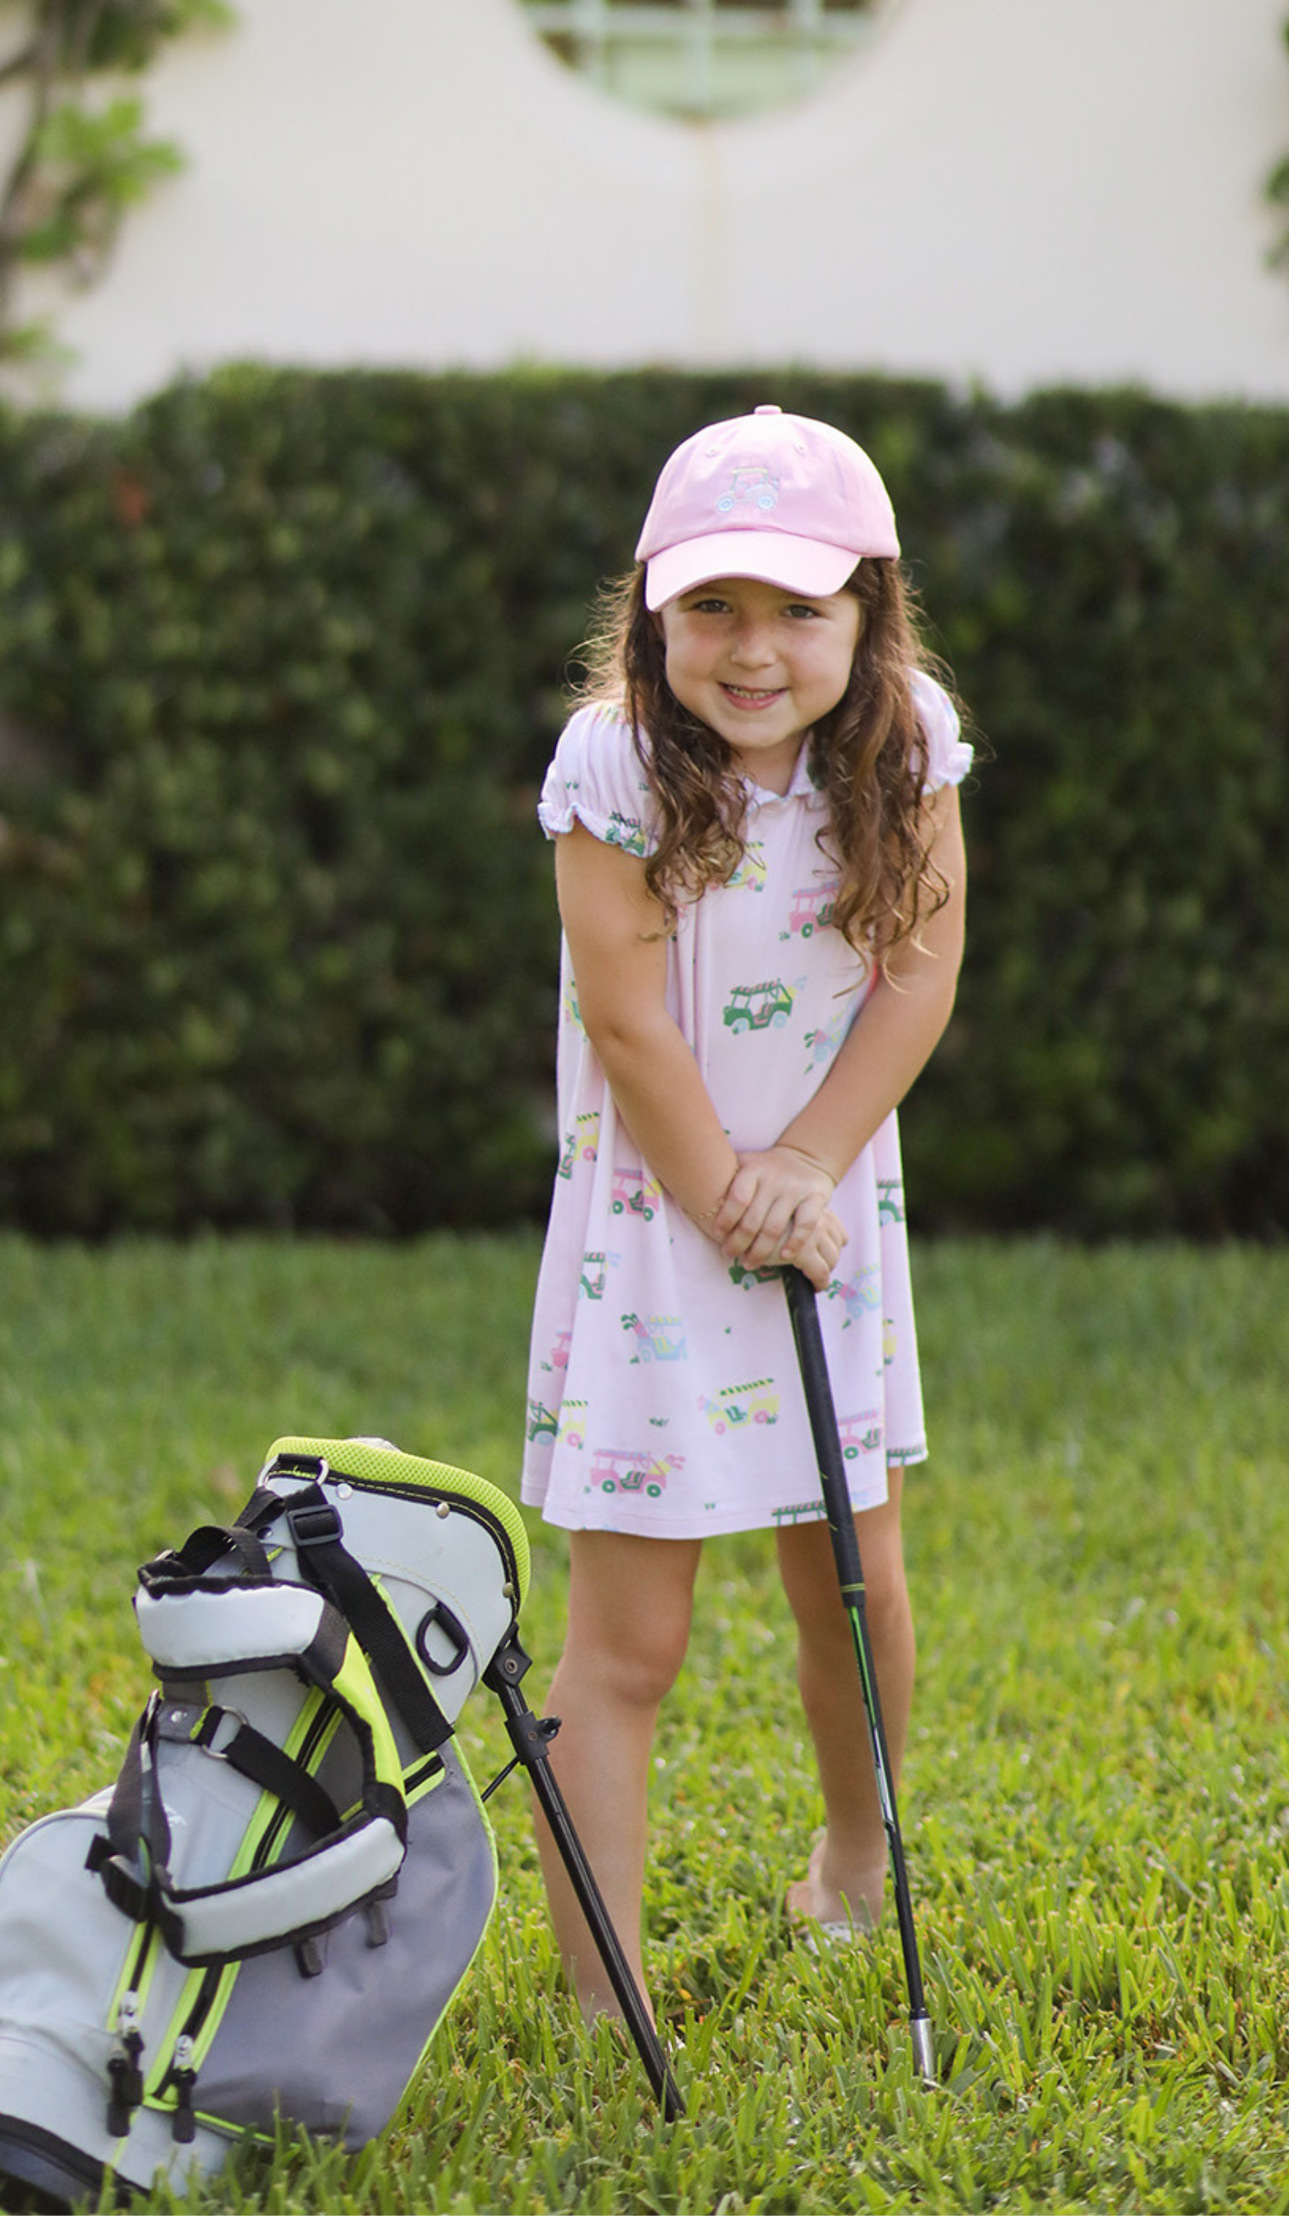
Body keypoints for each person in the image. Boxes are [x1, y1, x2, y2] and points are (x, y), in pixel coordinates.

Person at [520, 404, 971, 2019]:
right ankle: (601, 1990)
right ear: (653, 610)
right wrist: (725, 1192)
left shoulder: (910, 743)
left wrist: (805, 1169)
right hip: (660, 1224)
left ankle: (857, 1856)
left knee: (848, 1576)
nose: (755, 647)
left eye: (798, 608)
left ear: (870, 610)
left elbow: (917, 975)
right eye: (714, 606)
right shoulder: (617, 763)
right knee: (624, 1642)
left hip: (824, 1211)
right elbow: (629, 1016)